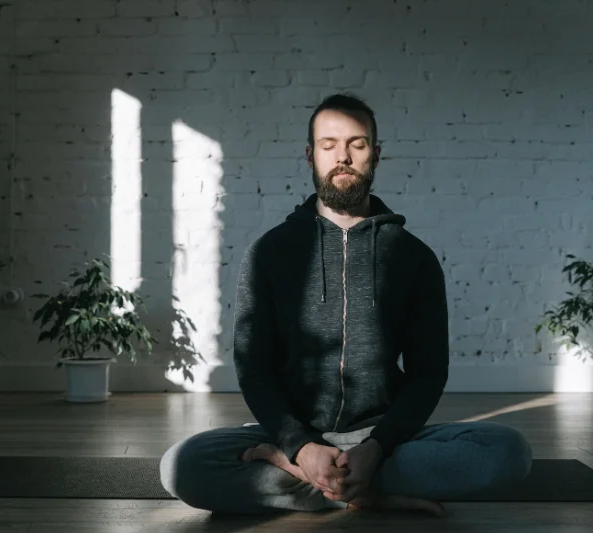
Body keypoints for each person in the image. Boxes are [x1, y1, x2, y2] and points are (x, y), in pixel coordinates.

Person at [159, 93, 533, 516]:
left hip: (382, 438)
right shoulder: (269, 252)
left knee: (508, 452)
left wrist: (377, 447)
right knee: (181, 467)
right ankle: (357, 490)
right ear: (310, 155)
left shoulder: (413, 257)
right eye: (329, 145)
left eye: (357, 144)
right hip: (293, 434)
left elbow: (428, 374)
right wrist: (299, 446)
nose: (343, 157)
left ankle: (318, 482)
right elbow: (254, 369)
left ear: (376, 154)